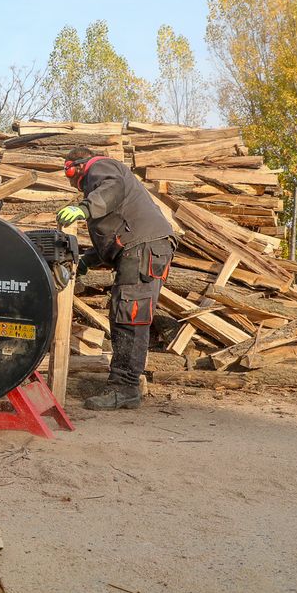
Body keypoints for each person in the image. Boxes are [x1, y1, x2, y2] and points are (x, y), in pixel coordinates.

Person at [56, 146, 175, 410]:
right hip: (140, 246)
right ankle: (125, 385)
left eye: (69, 174)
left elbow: (112, 189)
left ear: (77, 165)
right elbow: (117, 233)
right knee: (126, 312)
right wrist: (89, 259)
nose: (73, 182)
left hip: (144, 247)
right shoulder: (98, 181)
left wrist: (84, 208)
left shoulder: (100, 167)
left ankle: (124, 389)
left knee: (129, 314)